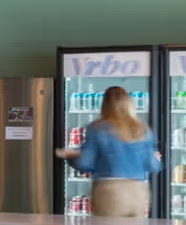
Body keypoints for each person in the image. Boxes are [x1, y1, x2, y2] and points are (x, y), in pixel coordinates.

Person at [61, 84, 160, 217]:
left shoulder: (98, 128)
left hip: (110, 192)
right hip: (138, 191)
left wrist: (71, 156)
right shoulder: (143, 129)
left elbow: (85, 163)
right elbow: (153, 166)